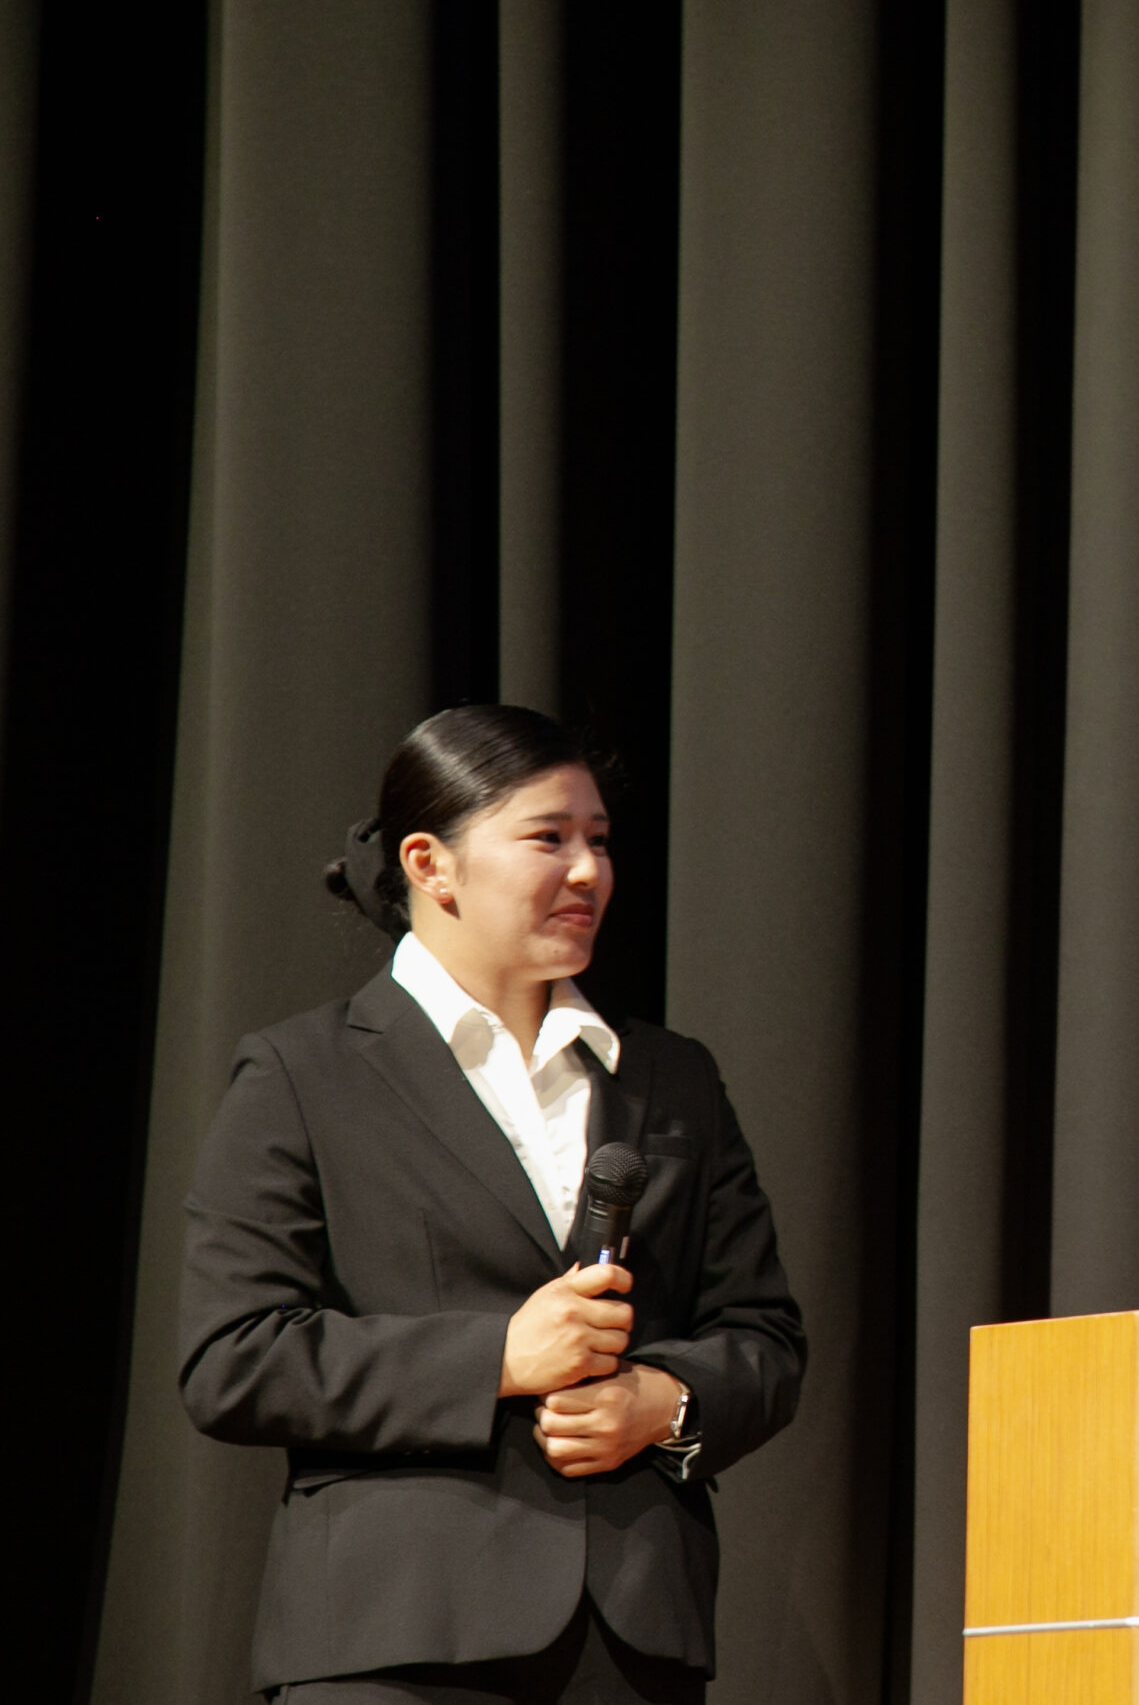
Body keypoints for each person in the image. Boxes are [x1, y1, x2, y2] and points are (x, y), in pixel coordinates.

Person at [179, 706, 805, 1703]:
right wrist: (500, 1358)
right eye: (548, 837)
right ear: (431, 864)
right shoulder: (303, 1072)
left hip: (630, 1635)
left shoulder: (672, 1077)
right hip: (394, 1636)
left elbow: (763, 1335)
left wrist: (663, 1403)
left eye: (600, 840)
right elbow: (234, 1357)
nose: (589, 870)